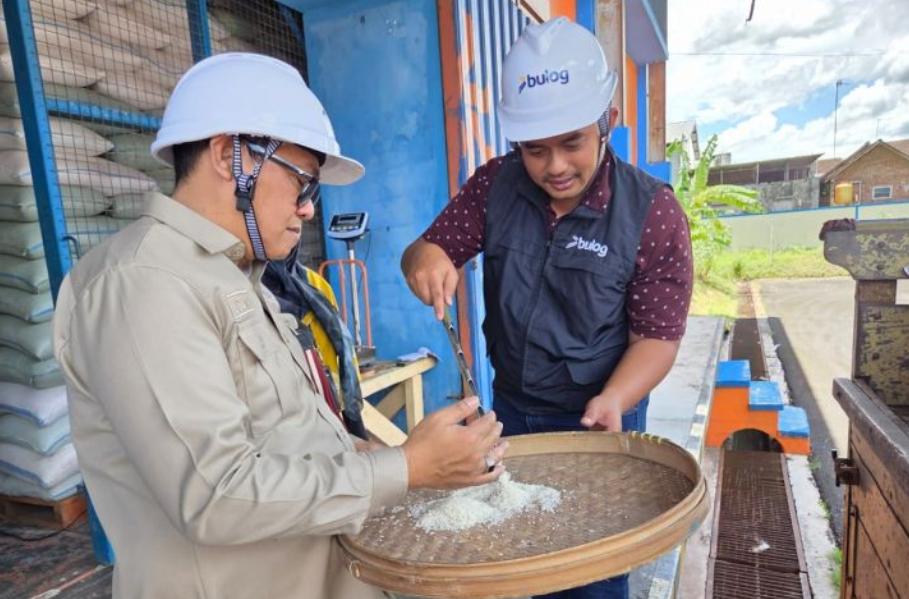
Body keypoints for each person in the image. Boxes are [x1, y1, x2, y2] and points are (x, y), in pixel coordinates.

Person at [53, 52, 506, 599]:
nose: (309, 208)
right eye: (303, 183)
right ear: (229, 156)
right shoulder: (141, 283)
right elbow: (217, 496)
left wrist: (412, 458)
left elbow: (293, 436)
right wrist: (407, 469)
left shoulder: (235, 276)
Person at [401, 18, 693, 599]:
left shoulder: (652, 213)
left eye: (571, 143)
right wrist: (426, 262)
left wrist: (615, 399)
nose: (554, 165)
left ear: (604, 121)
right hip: (513, 415)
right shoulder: (495, 187)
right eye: (535, 150)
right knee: (516, 554)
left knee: (590, 572)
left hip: (599, 420)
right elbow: (429, 248)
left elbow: (658, 337)